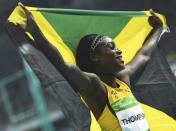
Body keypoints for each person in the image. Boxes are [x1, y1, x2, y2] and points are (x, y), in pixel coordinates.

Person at [8, 4, 164, 131]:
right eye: (110, 46)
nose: (118, 50)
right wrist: (36, 31)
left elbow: (144, 55)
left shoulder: (124, 80)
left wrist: (157, 28)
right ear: (95, 57)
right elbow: (63, 65)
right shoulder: (96, 87)